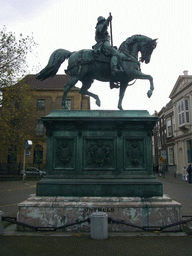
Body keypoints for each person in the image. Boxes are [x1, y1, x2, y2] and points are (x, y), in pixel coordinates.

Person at [92, 15, 124, 89]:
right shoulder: (100, 26)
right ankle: (114, 69)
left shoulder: (101, 26)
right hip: (103, 43)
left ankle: (112, 81)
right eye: (104, 21)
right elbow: (102, 30)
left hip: (106, 43)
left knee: (113, 53)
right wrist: (108, 21)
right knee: (115, 53)